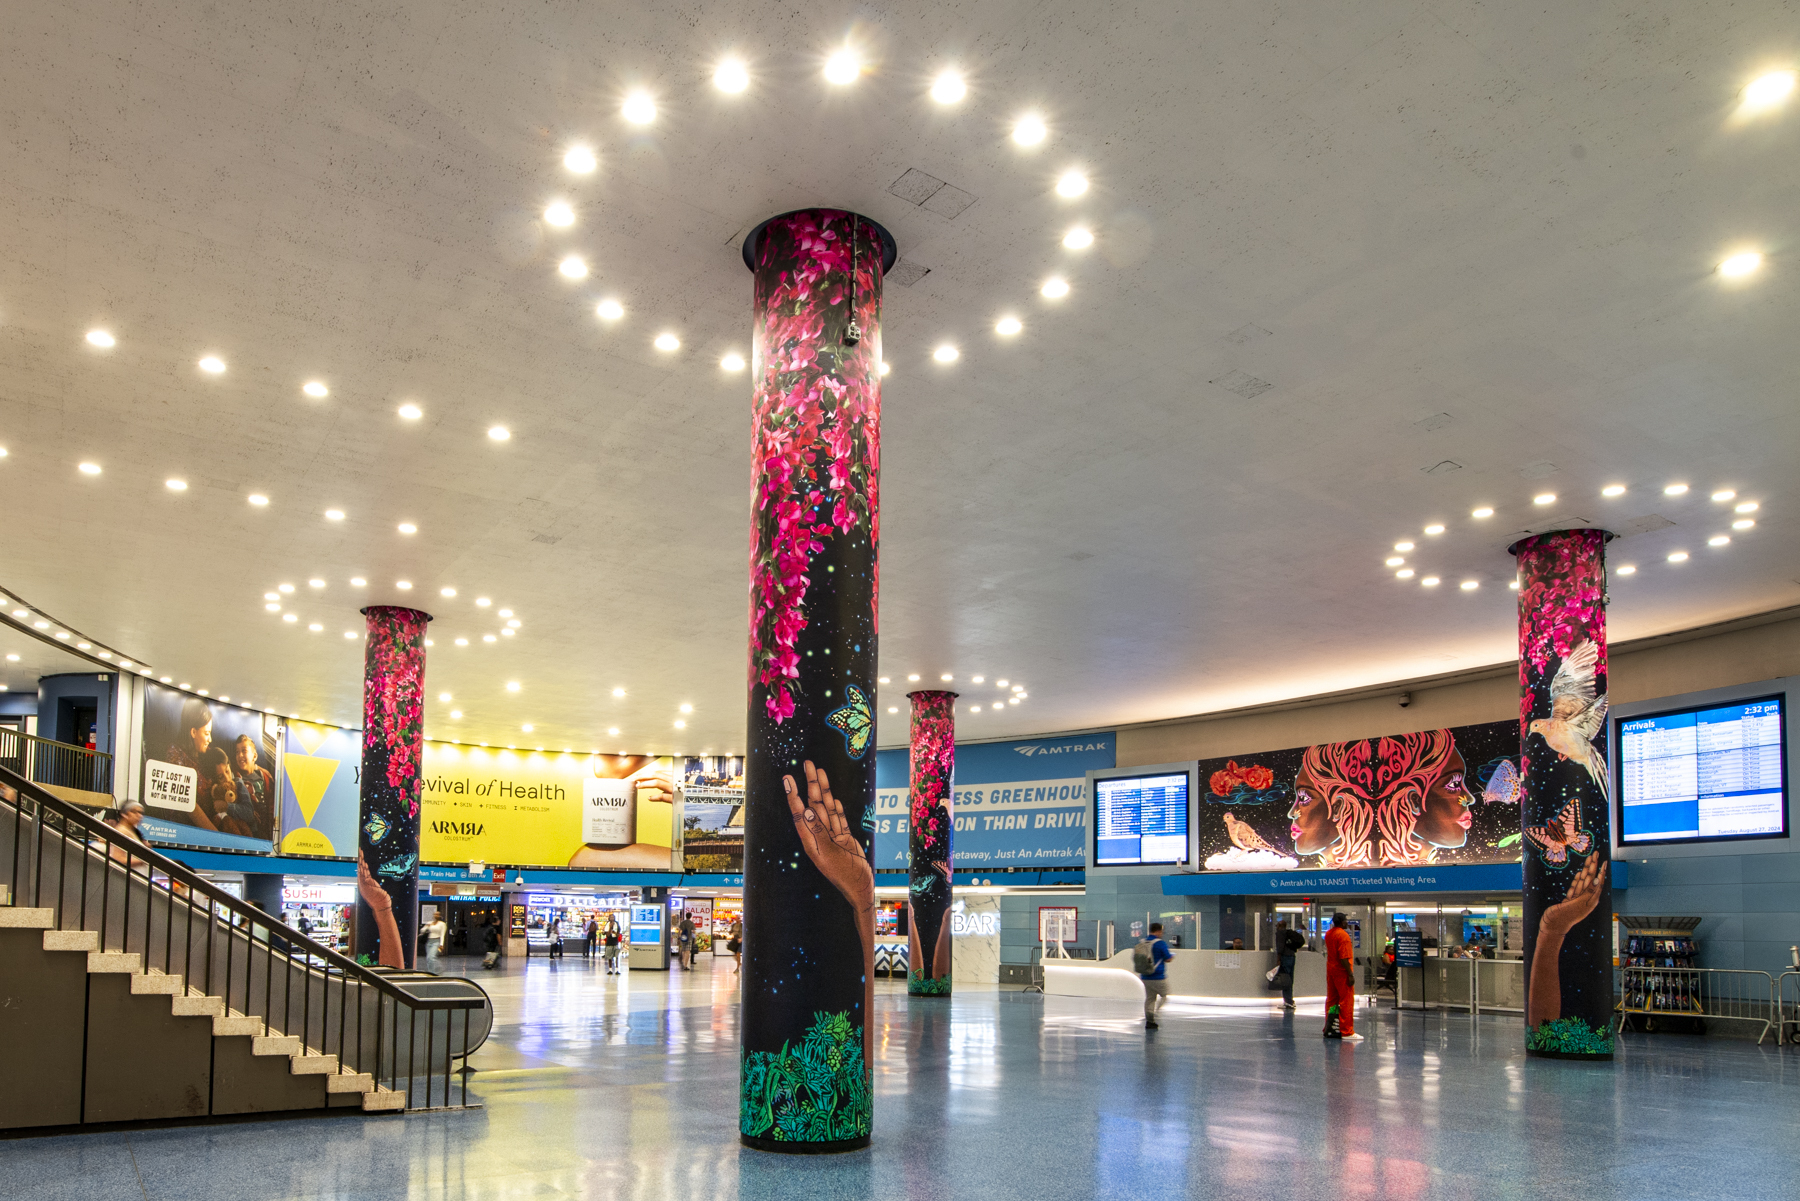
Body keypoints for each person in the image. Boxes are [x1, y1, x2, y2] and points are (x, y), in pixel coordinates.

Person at [1323, 911, 1361, 1040]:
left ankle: (1329, 1027)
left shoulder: (1329, 934)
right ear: (1342, 922)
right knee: (1346, 1000)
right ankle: (1347, 1031)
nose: (1347, 922)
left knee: (1332, 1000)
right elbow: (1344, 957)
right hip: (1342, 972)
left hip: (1331, 970)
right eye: (1346, 920)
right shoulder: (1343, 936)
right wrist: (1350, 974)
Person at [1136, 921, 1173, 1029]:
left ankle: (1150, 1020)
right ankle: (1156, 1012)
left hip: (1144, 975)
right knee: (1165, 995)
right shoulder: (1160, 943)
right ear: (1158, 931)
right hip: (1158, 976)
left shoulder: (1142, 942)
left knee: (1150, 998)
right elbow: (1168, 958)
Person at [1276, 920, 1306, 1010]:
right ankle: (1290, 1000)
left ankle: (1288, 1001)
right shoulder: (1290, 933)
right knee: (1290, 979)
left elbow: (1280, 947)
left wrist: (1278, 959)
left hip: (1285, 957)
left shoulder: (1280, 933)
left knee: (1285, 979)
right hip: (1292, 956)